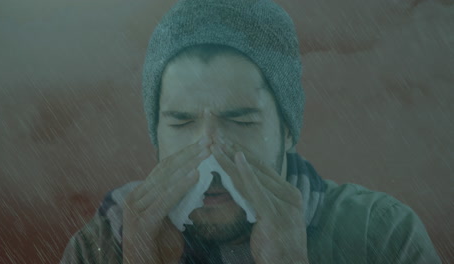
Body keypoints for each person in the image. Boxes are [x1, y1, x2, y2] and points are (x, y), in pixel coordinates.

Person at [60, 0, 441, 263]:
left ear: (288, 131)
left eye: (241, 121)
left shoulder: (381, 236)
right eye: (181, 122)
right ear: (155, 132)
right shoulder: (101, 247)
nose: (209, 151)